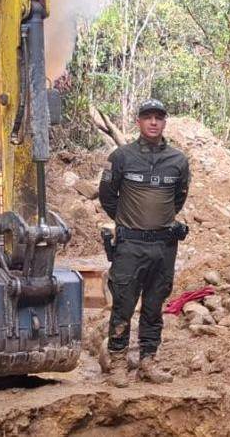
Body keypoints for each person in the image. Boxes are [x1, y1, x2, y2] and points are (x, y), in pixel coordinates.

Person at [96, 98, 191, 386]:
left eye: (158, 118)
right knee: (123, 305)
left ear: (164, 122)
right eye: (147, 117)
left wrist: (156, 224)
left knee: (153, 307)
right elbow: (107, 196)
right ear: (138, 121)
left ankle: (148, 361)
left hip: (163, 248)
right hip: (130, 247)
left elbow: (178, 199)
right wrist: (130, 222)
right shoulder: (121, 157)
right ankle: (117, 363)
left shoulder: (178, 161)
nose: (153, 122)